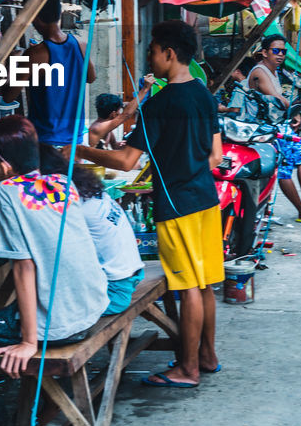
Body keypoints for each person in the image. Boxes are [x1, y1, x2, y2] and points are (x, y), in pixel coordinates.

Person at [77, 20, 223, 388]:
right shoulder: (204, 94)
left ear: (169, 54)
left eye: (153, 51)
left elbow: (126, 161)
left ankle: (187, 369)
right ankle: (206, 356)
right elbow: (215, 155)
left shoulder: (159, 105)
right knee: (203, 285)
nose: (149, 57)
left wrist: (79, 150)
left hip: (177, 204)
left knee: (188, 286)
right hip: (205, 197)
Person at [0, 116, 107, 382]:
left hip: (59, 323)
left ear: (3, 166)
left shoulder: (4, 191)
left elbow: (24, 268)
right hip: (91, 307)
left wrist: (28, 342)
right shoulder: (61, 181)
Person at [39, 144, 145, 314]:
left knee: (38, 310)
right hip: (129, 276)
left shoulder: (66, 199)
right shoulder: (82, 187)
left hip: (113, 293)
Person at [247, 34, 301, 222]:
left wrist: (292, 112)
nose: (280, 55)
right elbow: (278, 99)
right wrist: (292, 110)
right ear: (264, 52)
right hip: (263, 131)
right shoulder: (260, 71)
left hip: (275, 127)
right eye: (275, 51)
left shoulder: (275, 71)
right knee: (289, 164)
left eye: (283, 52)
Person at [22, 0, 96, 147]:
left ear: (35, 17)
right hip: (74, 141)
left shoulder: (34, 55)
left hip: (45, 142)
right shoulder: (81, 45)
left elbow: (8, 96)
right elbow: (91, 77)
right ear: (59, 13)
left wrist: (12, 63)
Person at [88, 74, 154, 148]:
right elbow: (126, 115)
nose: (120, 113)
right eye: (119, 111)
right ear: (113, 114)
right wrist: (145, 88)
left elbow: (115, 146)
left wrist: (121, 145)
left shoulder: (107, 129)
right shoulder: (98, 128)